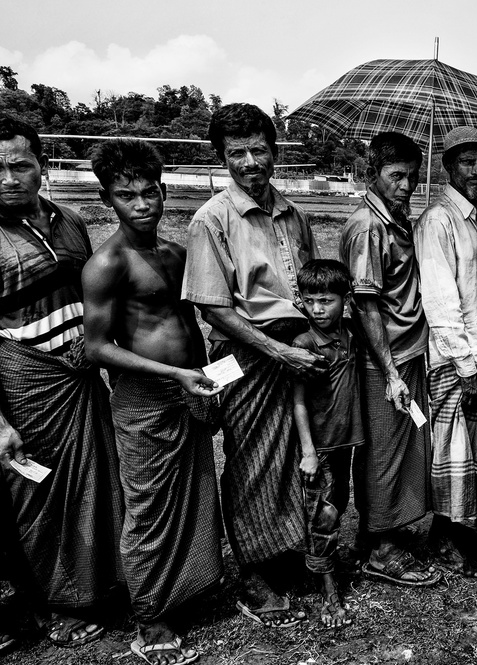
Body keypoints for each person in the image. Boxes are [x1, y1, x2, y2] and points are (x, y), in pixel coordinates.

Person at [182, 103, 325, 628]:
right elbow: (213, 306)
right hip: (243, 356)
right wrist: (277, 351)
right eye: (236, 153)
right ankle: (252, 572)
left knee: (291, 456)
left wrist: (304, 338)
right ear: (222, 158)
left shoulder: (292, 212)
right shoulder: (212, 219)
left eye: (258, 150)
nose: (249, 162)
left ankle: (285, 553)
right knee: (250, 462)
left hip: (292, 353)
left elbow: (308, 286)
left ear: (274, 150)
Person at [82, 138, 224, 665]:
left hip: (190, 387)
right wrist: (173, 374)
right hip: (144, 397)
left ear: (163, 192)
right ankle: (150, 617)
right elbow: (97, 348)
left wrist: (205, 376)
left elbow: (190, 321)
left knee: (193, 495)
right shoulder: (107, 263)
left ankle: (184, 590)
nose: (142, 205)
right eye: (127, 196)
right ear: (108, 200)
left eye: (149, 193)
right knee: (148, 508)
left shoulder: (176, 255)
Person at [0, 114, 124, 648]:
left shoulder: (68, 219)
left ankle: (93, 589)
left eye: (20, 165)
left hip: (81, 377)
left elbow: (93, 295)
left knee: (93, 484)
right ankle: (48, 605)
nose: (8, 176)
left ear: (41, 168)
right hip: (25, 383)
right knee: (38, 492)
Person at [340, 132, 439, 587]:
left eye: (412, 179)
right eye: (396, 176)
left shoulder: (397, 221)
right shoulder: (368, 227)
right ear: (371, 174)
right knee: (384, 452)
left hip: (405, 353)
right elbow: (366, 303)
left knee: (403, 447)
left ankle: (379, 531)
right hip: (386, 361)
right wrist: (390, 372)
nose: (405, 186)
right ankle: (380, 548)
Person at [414, 126, 477, 578]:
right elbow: (441, 299)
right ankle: (446, 535)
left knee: (474, 451)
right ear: (447, 166)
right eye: (466, 161)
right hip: (455, 356)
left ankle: (466, 529)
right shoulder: (438, 220)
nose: (476, 170)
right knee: (451, 449)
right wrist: (464, 363)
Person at [291, 260, 366, 628]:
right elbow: (299, 401)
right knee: (321, 515)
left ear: (345, 299)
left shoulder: (351, 334)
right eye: (310, 301)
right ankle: (329, 592)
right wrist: (307, 451)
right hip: (318, 446)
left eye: (326, 301)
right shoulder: (304, 343)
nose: (318, 309)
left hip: (344, 441)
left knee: (338, 503)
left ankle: (323, 566)